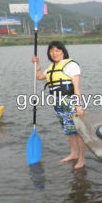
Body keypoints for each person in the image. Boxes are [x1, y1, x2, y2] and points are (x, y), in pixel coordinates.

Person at [32, 41, 86, 169]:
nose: (54, 53)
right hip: (58, 102)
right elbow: (39, 76)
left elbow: (77, 88)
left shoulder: (71, 65)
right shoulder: (52, 67)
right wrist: (37, 63)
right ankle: (73, 154)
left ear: (63, 51)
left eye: (57, 50)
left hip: (70, 101)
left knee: (77, 132)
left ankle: (82, 159)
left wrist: (79, 106)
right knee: (69, 130)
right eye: (51, 51)